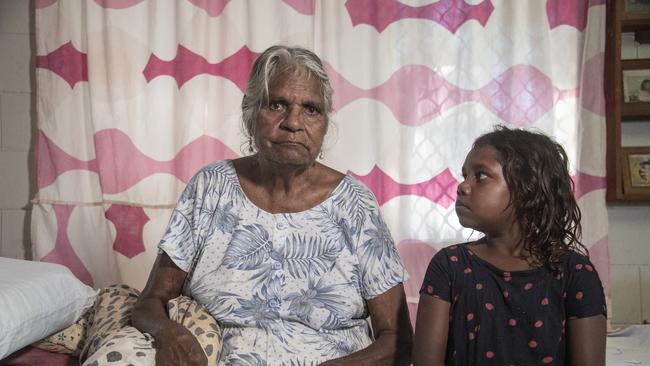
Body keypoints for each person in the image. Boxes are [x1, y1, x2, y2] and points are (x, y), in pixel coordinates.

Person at [131, 45, 413, 365]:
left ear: (324, 123)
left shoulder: (356, 205)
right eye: (276, 104)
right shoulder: (211, 187)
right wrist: (171, 334)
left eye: (310, 109)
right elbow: (150, 302)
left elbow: (398, 339)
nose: (293, 122)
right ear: (250, 113)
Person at [412, 126, 607, 366]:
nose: (462, 186)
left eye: (480, 175)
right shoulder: (449, 266)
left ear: (527, 189)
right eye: (465, 175)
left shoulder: (575, 273)